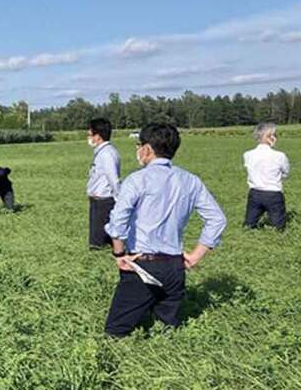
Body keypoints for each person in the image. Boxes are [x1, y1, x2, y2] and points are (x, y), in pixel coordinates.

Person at [103, 123, 227, 337]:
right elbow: (217, 219)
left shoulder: (137, 179)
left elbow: (118, 221)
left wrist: (119, 254)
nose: (138, 150)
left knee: (116, 331)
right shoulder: (191, 180)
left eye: (139, 145)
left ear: (147, 149)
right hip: (174, 267)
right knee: (167, 330)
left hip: (142, 265)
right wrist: (196, 256)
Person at [243, 122, 290, 230]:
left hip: (254, 193)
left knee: (249, 224)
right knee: (279, 227)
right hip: (273, 194)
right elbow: (286, 172)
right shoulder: (279, 156)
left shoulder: (247, 154)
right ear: (271, 137)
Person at [86, 117, 121, 248]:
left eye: (90, 135)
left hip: (104, 202)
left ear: (98, 136)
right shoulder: (102, 152)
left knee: (98, 244)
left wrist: (119, 200)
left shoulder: (107, 154)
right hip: (97, 201)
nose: (88, 138)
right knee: (98, 241)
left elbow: (114, 179)